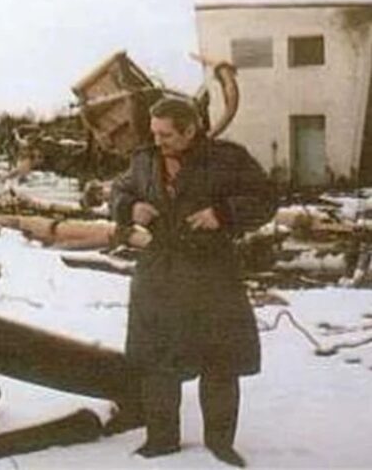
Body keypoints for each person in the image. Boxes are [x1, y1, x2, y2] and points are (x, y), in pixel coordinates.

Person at [110, 96, 276, 467]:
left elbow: (267, 198)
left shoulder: (227, 158)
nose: (158, 141)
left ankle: (219, 443)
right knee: (156, 362)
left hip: (211, 274)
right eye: (154, 133)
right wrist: (129, 208)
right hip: (159, 273)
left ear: (191, 129)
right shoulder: (144, 160)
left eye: (166, 135)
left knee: (219, 361)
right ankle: (161, 440)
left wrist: (223, 213)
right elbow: (119, 191)